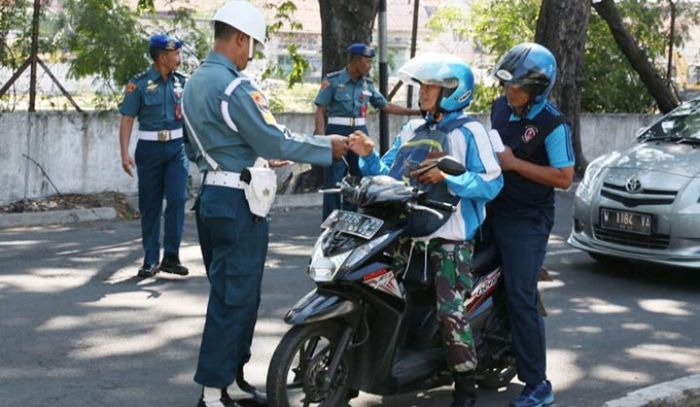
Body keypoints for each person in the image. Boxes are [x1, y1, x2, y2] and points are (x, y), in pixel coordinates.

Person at [180, 2, 349, 406]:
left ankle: (232, 380)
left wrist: (241, 157)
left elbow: (195, 146)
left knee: (237, 293)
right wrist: (327, 147)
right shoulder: (233, 87)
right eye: (250, 44)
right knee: (234, 296)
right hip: (239, 202)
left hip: (214, 194)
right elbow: (274, 139)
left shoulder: (191, 85)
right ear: (238, 38)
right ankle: (212, 390)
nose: (250, 53)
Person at [349, 54, 503, 407]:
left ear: (453, 91)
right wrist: (368, 155)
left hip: (448, 239)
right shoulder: (412, 131)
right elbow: (387, 174)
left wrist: (448, 176)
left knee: (450, 310)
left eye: (430, 87)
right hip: (407, 236)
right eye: (422, 86)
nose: (422, 92)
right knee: (378, 297)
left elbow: (492, 184)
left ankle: (465, 386)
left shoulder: (469, 131)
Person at [488, 42, 574, 407]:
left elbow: (564, 178)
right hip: (490, 208)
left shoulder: (552, 124)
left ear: (539, 89)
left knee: (520, 295)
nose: (510, 91)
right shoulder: (499, 109)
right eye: (507, 84)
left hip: (528, 219)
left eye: (518, 87)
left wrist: (515, 165)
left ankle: (538, 383)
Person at [314, 43, 421, 220]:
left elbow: (385, 105)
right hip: (337, 132)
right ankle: (330, 223)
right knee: (334, 180)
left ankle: (352, 220)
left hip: (360, 135)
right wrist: (321, 139)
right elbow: (320, 111)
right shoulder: (333, 81)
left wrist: (414, 112)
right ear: (355, 61)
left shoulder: (367, 84)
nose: (370, 66)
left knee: (359, 180)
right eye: (367, 62)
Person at [119, 33, 189, 278]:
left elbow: (192, 117)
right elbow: (127, 119)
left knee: (178, 200)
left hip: (176, 149)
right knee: (150, 205)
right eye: (175, 54)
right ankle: (150, 259)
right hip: (149, 151)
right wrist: (124, 153)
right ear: (162, 57)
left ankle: (171, 257)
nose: (178, 58)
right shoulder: (138, 84)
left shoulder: (183, 82)